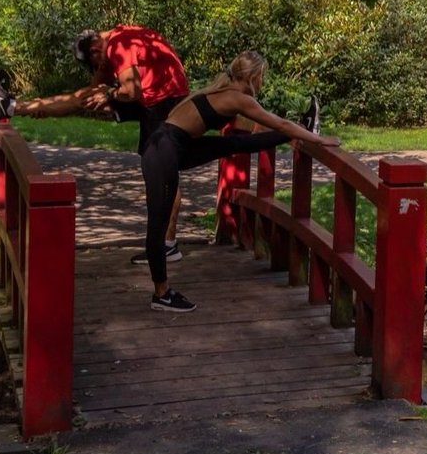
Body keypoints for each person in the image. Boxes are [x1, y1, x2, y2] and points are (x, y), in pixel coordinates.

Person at [141, 50, 334, 313]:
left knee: (235, 143)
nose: (263, 82)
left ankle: (306, 125)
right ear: (254, 76)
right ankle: (161, 294)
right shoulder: (237, 98)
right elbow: (278, 122)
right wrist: (318, 140)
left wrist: (290, 133)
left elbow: (257, 130)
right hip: (163, 150)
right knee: (158, 222)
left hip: (175, 145)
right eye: (262, 77)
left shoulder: (222, 91)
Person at [0, 25, 191, 261]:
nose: (99, 70)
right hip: (158, 94)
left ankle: (167, 245)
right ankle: (11, 106)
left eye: (95, 65)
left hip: (163, 100)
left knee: (161, 172)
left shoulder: (118, 46)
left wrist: (109, 94)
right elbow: (87, 94)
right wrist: (46, 107)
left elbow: (132, 91)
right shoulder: (116, 37)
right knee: (86, 98)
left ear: (95, 49)